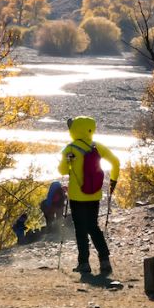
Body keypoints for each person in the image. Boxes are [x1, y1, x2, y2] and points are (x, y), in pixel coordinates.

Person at [58, 116, 120, 275]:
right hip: (94, 195)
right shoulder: (97, 146)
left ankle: (84, 263)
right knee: (93, 227)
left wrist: (69, 161)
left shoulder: (70, 148)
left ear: (74, 130)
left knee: (80, 229)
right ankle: (105, 260)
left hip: (77, 196)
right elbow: (115, 162)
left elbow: (62, 171)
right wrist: (113, 182)